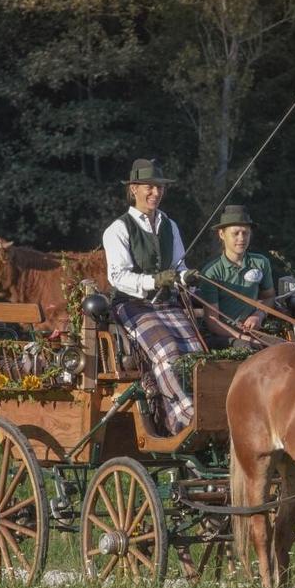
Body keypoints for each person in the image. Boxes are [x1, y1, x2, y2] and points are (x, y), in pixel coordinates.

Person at [102, 158, 203, 434]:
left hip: (167, 304)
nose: (155, 193)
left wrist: (186, 277)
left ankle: (203, 411)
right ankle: (181, 419)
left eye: (159, 188)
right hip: (132, 306)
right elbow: (118, 277)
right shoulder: (118, 229)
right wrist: (154, 280)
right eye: (149, 187)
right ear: (133, 189)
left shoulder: (170, 225)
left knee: (195, 353)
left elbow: (178, 268)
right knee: (167, 351)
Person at [196, 205, 276, 348]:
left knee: (286, 348)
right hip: (223, 336)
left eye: (245, 233)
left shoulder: (261, 262)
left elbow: (269, 296)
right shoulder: (211, 273)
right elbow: (213, 322)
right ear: (221, 234)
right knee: (249, 350)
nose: (241, 238)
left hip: (255, 333)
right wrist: (243, 337)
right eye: (235, 233)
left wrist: (259, 315)